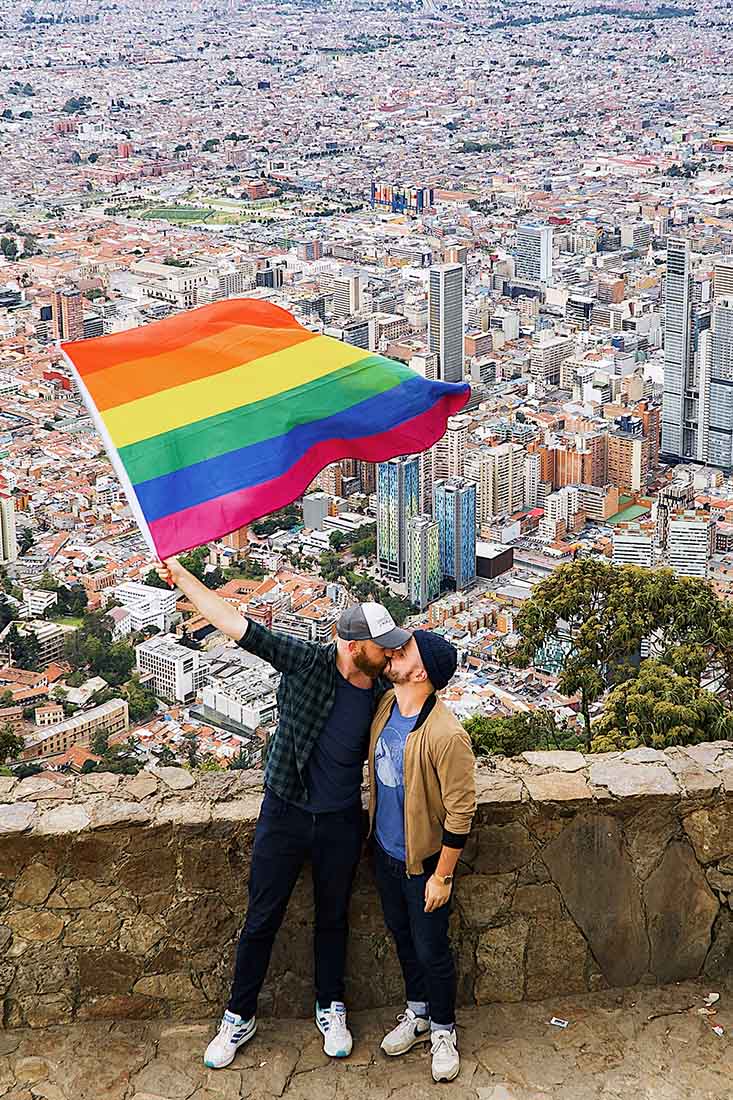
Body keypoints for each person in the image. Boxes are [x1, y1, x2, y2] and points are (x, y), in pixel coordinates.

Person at [155, 556, 410, 1068]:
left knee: (333, 918)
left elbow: (429, 668)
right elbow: (235, 626)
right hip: (286, 810)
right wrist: (184, 578)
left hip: (340, 818)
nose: (388, 655)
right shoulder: (307, 662)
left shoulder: (383, 689)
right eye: (380, 647)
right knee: (261, 917)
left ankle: (330, 1005)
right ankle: (238, 1014)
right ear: (353, 644)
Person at [367, 630, 476, 1084]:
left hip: (425, 862)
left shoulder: (446, 733)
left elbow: (461, 809)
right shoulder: (387, 707)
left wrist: (443, 877)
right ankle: (417, 1012)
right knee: (402, 936)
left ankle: (444, 1029)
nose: (393, 653)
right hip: (385, 849)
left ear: (422, 670)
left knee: (432, 948)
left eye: (404, 649)